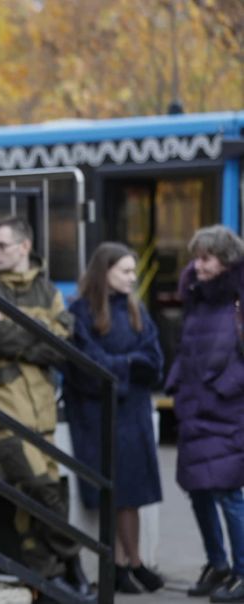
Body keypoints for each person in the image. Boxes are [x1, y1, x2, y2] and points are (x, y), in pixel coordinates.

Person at [0, 216, 89, 599]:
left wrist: (24, 331)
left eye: (1, 246)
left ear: (24, 247)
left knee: (34, 504)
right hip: (1, 412)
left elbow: (64, 343)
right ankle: (72, 562)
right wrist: (40, 331)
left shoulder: (46, 289)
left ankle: (48, 581)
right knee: (40, 489)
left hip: (41, 412)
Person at [62, 242, 164, 594]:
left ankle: (131, 563)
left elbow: (155, 360)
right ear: (104, 272)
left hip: (131, 413)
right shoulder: (79, 312)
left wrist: (122, 366)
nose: (133, 278)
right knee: (114, 492)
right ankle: (119, 566)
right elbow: (90, 368)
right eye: (125, 271)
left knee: (132, 493)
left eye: (133, 271)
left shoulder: (138, 310)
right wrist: (130, 365)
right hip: (99, 416)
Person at [165, 225, 244, 603]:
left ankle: (243, 572)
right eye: (195, 258)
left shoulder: (238, 299)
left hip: (227, 411)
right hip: (195, 408)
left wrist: (222, 387)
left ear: (226, 261)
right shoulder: (198, 298)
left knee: (228, 493)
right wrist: (178, 384)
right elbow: (186, 348)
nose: (197, 266)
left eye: (206, 258)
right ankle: (219, 565)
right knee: (197, 490)